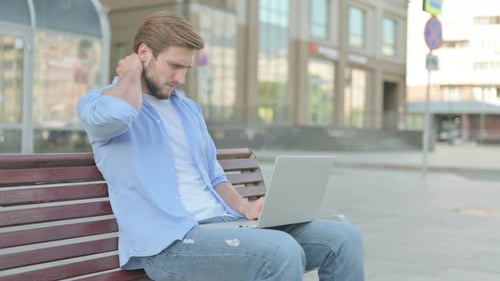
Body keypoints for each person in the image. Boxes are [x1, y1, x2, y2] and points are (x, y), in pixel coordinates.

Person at [78, 11, 364, 281]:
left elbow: (213, 176)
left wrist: (245, 207)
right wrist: (130, 75)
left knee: (344, 239)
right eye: (174, 66)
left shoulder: (188, 110)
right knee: (280, 251)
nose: (180, 78)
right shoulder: (98, 102)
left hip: (223, 225)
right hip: (167, 242)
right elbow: (117, 115)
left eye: (187, 69)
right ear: (143, 53)